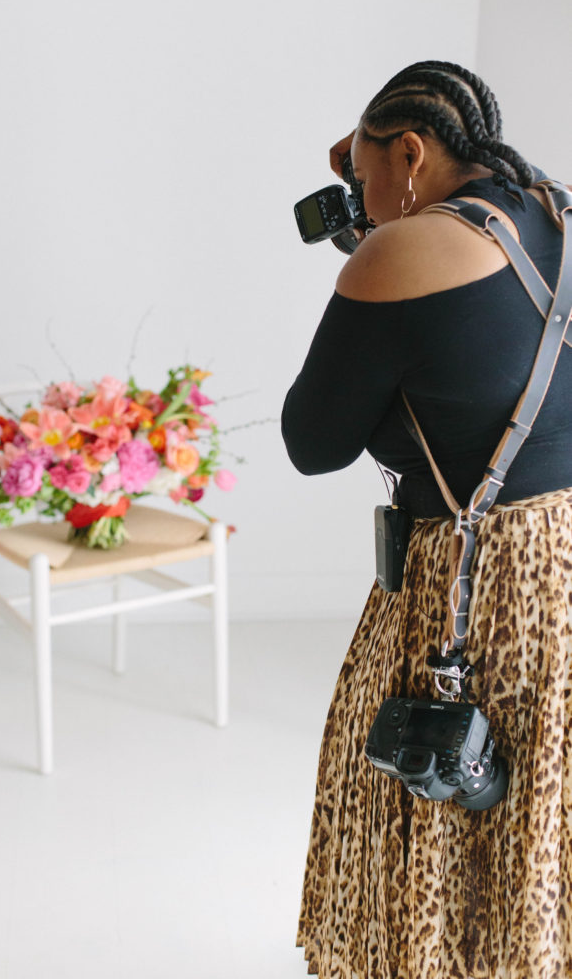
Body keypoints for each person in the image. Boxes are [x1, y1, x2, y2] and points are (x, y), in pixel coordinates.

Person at [282, 60, 572, 979]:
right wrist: (376, 176)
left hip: (475, 583)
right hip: (562, 552)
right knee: (543, 807)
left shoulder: (398, 254)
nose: (355, 196)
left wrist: (377, 234)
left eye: (364, 171)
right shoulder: (554, 210)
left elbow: (312, 439)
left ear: (411, 150)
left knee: (440, 802)